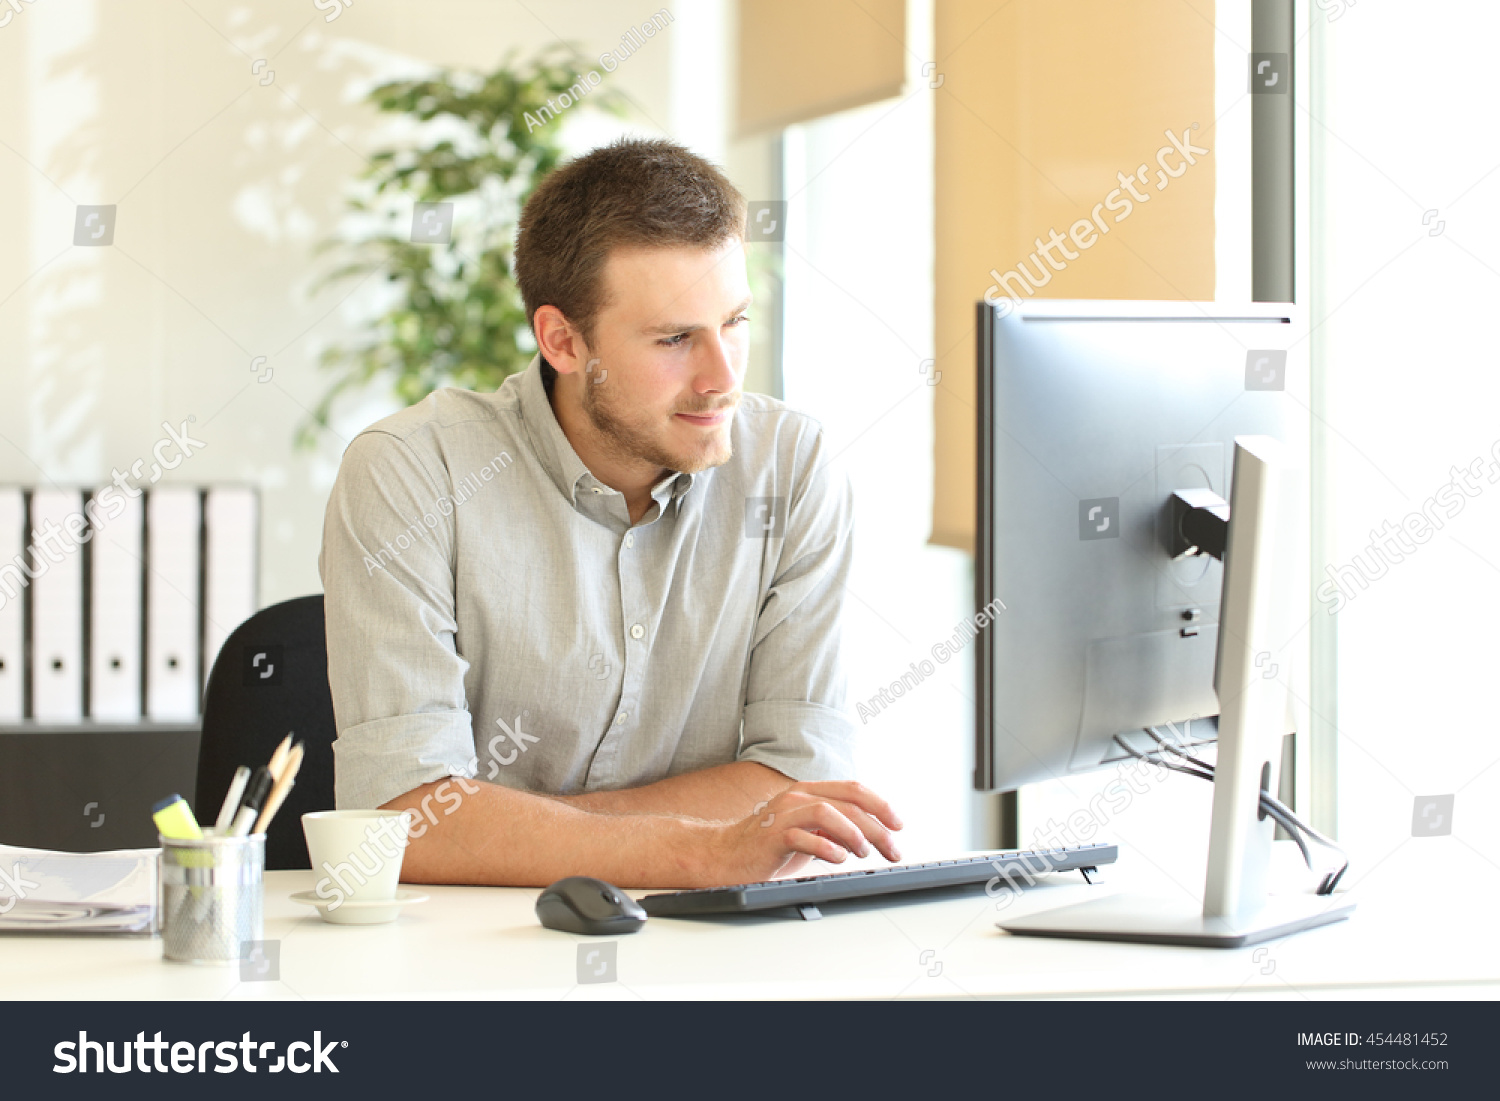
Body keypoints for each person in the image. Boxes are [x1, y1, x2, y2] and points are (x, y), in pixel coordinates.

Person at [319, 137, 902, 889]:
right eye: (674, 338)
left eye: (735, 322)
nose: (723, 376)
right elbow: (402, 819)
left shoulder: (789, 469)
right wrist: (701, 847)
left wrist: (513, 827)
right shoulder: (411, 471)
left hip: (714, 958)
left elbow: (797, 780)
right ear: (563, 340)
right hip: (471, 963)